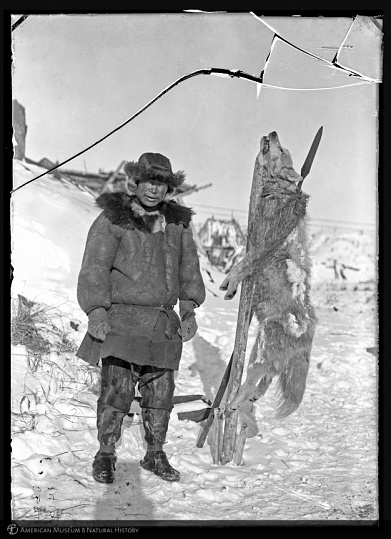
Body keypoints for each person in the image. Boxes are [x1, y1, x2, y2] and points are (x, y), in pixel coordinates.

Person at [76, 152, 206, 483]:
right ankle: (105, 455)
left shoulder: (178, 225)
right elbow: (94, 267)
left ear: (168, 189)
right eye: (148, 182)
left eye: (161, 184)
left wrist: (188, 309)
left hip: (162, 324)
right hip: (120, 321)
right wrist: (96, 311)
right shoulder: (114, 219)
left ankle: (155, 455)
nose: (153, 190)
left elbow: (188, 270)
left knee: (160, 396)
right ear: (136, 183)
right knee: (116, 392)